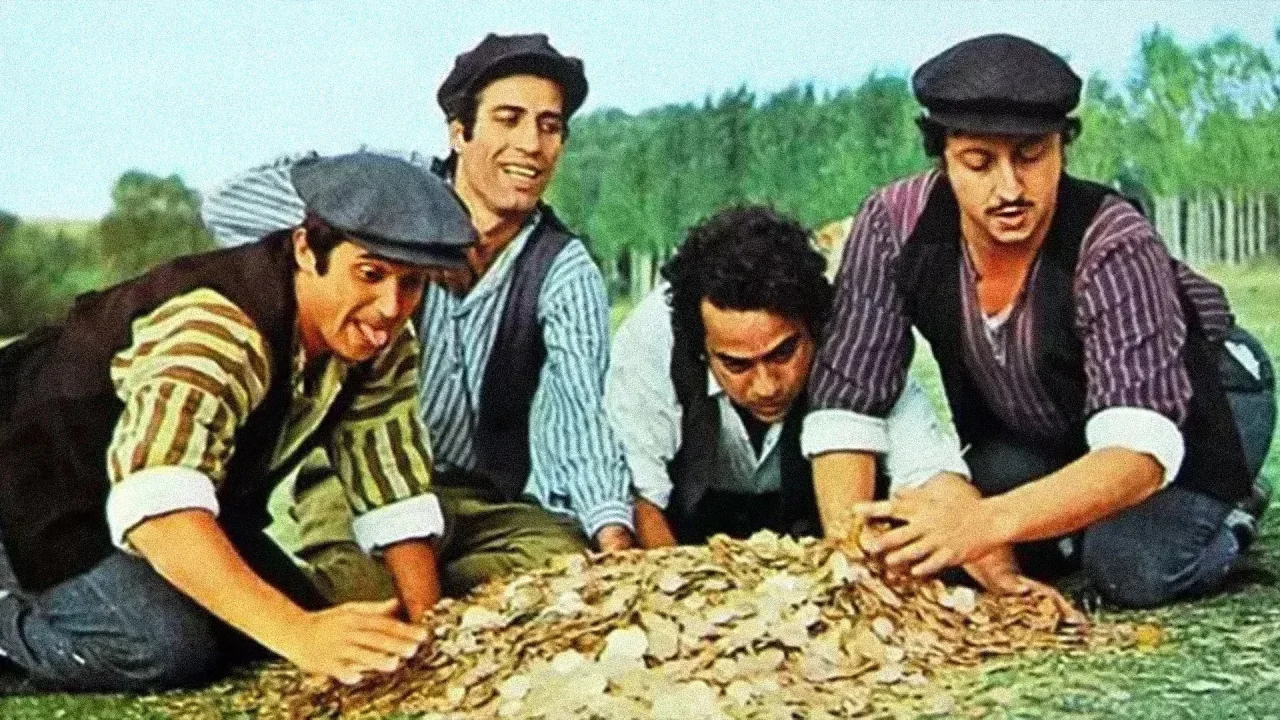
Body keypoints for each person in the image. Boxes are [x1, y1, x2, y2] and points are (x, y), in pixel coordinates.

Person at [808, 34, 1276, 608]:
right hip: (1059, 414)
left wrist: (983, 521)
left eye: (1030, 156)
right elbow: (850, 399)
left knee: (1132, 568)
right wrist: (848, 555)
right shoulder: (891, 225)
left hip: (1202, 401)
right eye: (978, 162)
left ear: (1062, 148)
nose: (1009, 188)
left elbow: (1137, 449)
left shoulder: (1113, 239)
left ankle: (1233, 511)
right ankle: (1079, 525)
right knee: (970, 539)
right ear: (943, 156)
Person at [0, 152, 476, 692]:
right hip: (34, 482)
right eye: (370, 274)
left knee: (268, 626)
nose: (390, 306)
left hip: (127, 493)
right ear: (306, 249)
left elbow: (391, 484)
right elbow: (157, 505)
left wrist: (429, 626)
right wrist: (299, 634)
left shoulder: (375, 336)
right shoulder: (218, 328)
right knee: (165, 649)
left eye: (412, 283)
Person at [201, 33, 634, 599]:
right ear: (459, 133)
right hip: (353, 480)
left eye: (549, 126)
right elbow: (228, 207)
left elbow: (582, 418)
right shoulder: (390, 207)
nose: (530, 144)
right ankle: (371, 598)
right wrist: (390, 203)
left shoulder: (564, 268)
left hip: (481, 500)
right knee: (373, 588)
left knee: (564, 573)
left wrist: (613, 538)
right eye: (508, 119)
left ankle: (427, 599)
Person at [607, 205, 974, 549]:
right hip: (687, 532)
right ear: (701, 348)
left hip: (824, 532)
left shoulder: (855, 338)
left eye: (783, 353)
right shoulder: (652, 339)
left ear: (815, 326)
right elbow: (641, 499)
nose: (766, 386)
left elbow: (928, 475)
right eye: (737, 365)